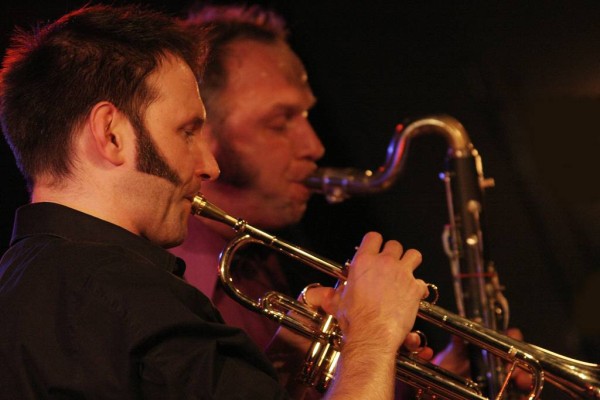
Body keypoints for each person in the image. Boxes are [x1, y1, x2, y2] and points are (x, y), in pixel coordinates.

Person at [0, 4, 429, 399]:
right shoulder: (135, 299)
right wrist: (373, 333)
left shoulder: (22, 283)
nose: (209, 166)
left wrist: (283, 367)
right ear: (111, 134)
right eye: (187, 132)